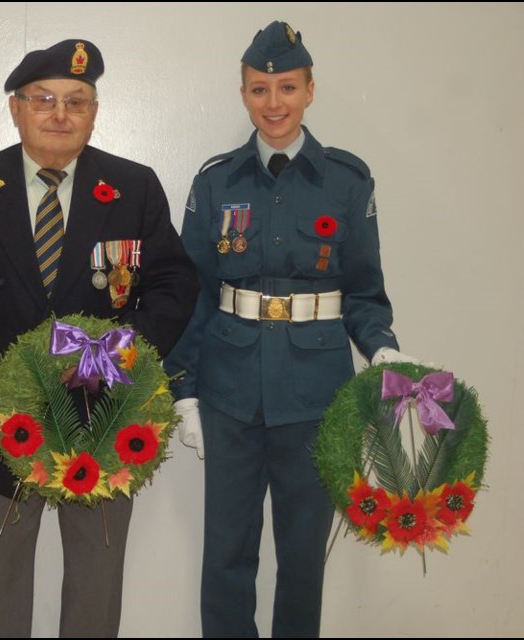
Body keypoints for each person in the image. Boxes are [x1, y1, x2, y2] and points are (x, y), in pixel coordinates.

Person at [0, 39, 197, 638]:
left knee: (97, 585)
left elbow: (175, 284)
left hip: (104, 414)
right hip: (1, 418)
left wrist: (119, 354)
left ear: (95, 112)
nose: (60, 113)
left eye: (77, 101)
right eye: (44, 99)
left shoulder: (133, 186)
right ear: (16, 108)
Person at [165, 20, 419, 638]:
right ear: (244, 93)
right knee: (226, 554)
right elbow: (191, 293)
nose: (272, 103)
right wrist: (185, 389)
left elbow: (362, 289)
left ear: (310, 90)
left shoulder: (346, 181)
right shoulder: (216, 181)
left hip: (316, 396)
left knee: (303, 557)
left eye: (285, 87)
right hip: (229, 391)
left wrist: (382, 347)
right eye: (258, 89)